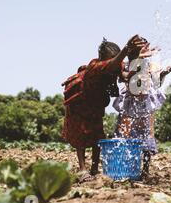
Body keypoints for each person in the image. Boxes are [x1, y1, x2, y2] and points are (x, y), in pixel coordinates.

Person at [62, 35, 151, 182]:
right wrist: (126, 49)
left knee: (98, 136)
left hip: (95, 104)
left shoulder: (116, 65)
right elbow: (112, 64)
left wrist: (136, 59)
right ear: (103, 58)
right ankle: (83, 170)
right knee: (80, 136)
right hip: (79, 103)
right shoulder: (95, 66)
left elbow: (127, 76)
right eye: (113, 58)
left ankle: (94, 169)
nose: (117, 61)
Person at [113, 39, 171, 178]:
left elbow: (154, 80)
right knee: (126, 136)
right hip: (131, 105)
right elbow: (124, 77)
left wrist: (162, 74)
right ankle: (127, 169)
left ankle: (145, 170)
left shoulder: (149, 65)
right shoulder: (127, 65)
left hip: (144, 104)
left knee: (146, 137)